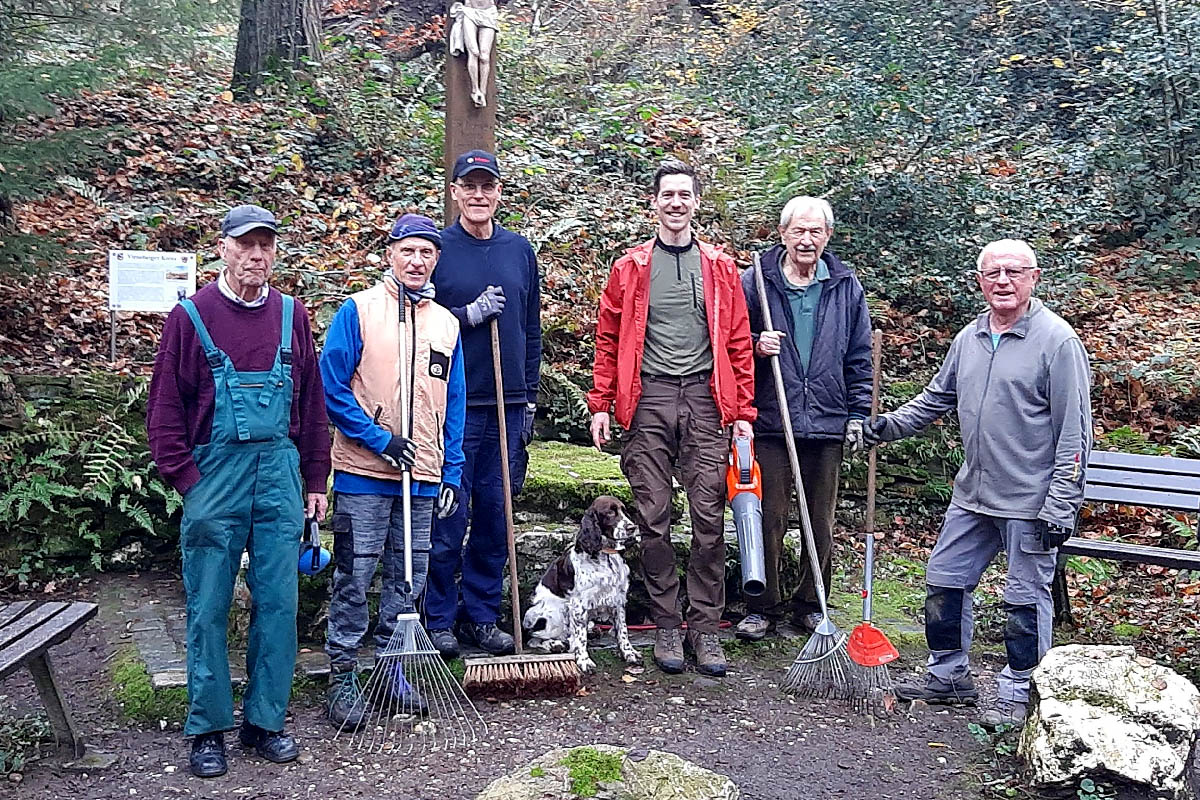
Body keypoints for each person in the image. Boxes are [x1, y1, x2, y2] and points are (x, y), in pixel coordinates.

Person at [864, 239, 1092, 728]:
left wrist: (1061, 503)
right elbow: (936, 398)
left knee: (1024, 598)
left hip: (1031, 499)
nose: (1003, 281)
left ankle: (1020, 692)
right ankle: (948, 676)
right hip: (974, 494)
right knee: (944, 579)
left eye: (1014, 272)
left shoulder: (1057, 342)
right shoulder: (969, 337)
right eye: (993, 273)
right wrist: (888, 426)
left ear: (1034, 278)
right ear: (979, 282)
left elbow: (1075, 431)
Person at [147, 204, 330, 778]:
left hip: (278, 475)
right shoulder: (191, 316)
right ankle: (207, 729)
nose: (256, 255)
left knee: (279, 602)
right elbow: (165, 410)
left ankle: (265, 721)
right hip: (214, 478)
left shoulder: (291, 315)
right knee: (208, 607)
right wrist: (187, 480)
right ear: (222, 249)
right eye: (245, 245)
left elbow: (311, 401)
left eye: (266, 245)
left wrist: (315, 479)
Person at [587, 160, 756, 678]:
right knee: (653, 517)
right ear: (654, 203)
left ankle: (705, 628)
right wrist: (600, 404)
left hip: (706, 400)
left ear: (696, 203)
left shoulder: (721, 268)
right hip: (649, 399)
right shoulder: (631, 268)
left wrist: (743, 412)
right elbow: (609, 339)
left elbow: (738, 342)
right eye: (668, 195)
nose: (676, 203)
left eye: (685, 194)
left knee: (709, 520)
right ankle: (665, 623)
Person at [318, 214, 466, 729]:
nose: (416, 261)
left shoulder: (445, 324)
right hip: (365, 471)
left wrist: (451, 468)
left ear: (436, 261)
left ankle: (392, 672)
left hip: (423, 475)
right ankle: (343, 675)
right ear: (391, 254)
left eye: (426, 253)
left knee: (409, 580)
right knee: (355, 576)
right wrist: (379, 438)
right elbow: (332, 388)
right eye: (407, 251)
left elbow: (456, 403)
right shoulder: (358, 311)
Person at [737, 196, 873, 641]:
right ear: (783, 234)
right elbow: (731, 345)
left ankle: (810, 604)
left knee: (821, 521)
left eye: (816, 232)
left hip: (828, 420)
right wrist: (758, 344)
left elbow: (859, 356)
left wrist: (857, 413)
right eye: (799, 231)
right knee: (769, 515)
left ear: (827, 236)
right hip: (773, 417)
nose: (807, 240)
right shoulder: (756, 281)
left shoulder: (846, 286)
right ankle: (763, 607)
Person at [425, 150, 542, 659]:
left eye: (487, 186)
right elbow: (420, 319)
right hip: (456, 405)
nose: (478, 194)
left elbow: (531, 328)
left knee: (498, 515)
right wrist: (466, 315)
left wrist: (531, 397)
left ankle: (481, 615)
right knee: (449, 517)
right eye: (468, 185)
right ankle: (438, 618)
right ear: (454, 191)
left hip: (509, 404)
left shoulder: (519, 251)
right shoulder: (437, 250)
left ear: (498, 192)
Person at [448, 0, 498, 107]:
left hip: (488, 12)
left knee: (484, 56)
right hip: (470, 12)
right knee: (474, 52)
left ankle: (482, 92)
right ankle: (475, 90)